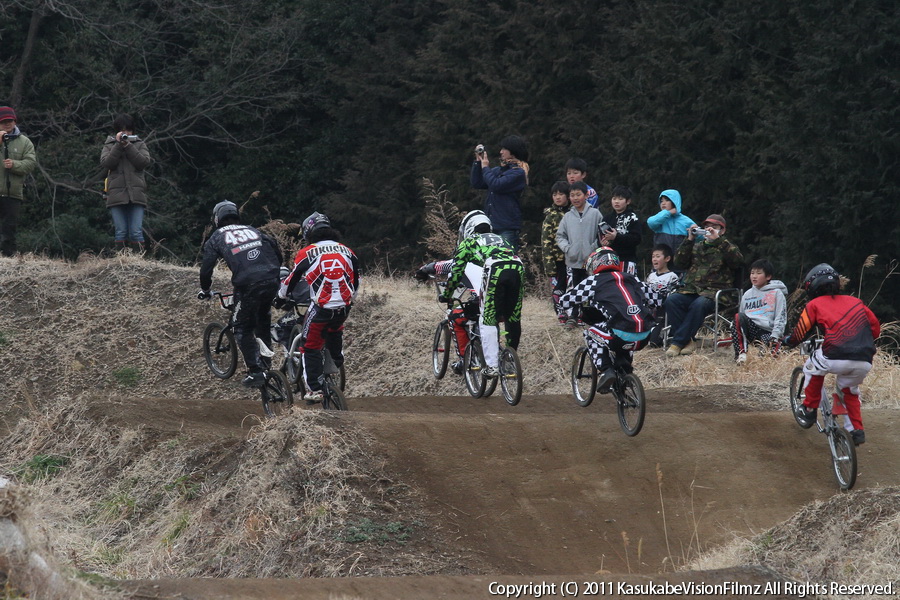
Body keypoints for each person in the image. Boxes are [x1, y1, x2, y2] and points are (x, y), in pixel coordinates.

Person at [783, 264, 880, 446]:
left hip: (834, 355)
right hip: (864, 359)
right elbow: (875, 329)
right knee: (849, 390)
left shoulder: (814, 304)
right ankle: (855, 431)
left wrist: (788, 341)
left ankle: (809, 408)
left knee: (811, 367)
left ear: (811, 287)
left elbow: (800, 332)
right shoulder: (856, 302)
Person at [199, 201, 283, 388]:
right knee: (263, 318)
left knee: (242, 328)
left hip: (248, 284)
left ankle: (255, 372)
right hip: (272, 278)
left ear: (216, 219)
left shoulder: (217, 236)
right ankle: (266, 363)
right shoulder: (253, 230)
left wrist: (205, 289)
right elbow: (274, 247)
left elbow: (206, 270)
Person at [279, 212, 360, 404]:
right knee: (334, 330)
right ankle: (336, 361)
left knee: (309, 345)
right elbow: (356, 279)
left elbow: (292, 280)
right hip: (344, 306)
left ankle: (314, 389)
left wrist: (281, 295)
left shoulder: (306, 253)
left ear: (309, 233)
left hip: (321, 307)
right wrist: (350, 298)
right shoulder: (348, 250)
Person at [441, 210, 524, 378]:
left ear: (468, 228)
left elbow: (456, 272)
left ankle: (492, 366)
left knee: (487, 317)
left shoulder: (469, 242)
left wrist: (447, 294)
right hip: (517, 266)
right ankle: (509, 359)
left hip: (495, 268)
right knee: (513, 316)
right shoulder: (501, 238)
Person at [560, 247, 654, 392]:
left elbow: (565, 301)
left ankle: (606, 371)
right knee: (623, 331)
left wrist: (576, 309)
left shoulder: (593, 281)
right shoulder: (632, 278)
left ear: (594, 264)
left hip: (620, 332)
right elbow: (657, 300)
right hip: (646, 334)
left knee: (591, 333)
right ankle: (625, 371)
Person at [664, 214, 744, 357]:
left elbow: (738, 262)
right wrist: (689, 239)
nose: (710, 229)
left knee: (699, 304)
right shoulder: (697, 246)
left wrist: (719, 241)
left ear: (722, 230)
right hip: (692, 290)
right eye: (707, 226)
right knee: (672, 300)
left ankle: (677, 342)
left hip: (717, 292)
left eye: (715, 227)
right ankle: (688, 341)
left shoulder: (727, 246)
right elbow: (679, 263)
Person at [414, 258, 479, 375]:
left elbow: (437, 266)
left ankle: (464, 359)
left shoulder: (461, 261)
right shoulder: (494, 259)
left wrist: (422, 271)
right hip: (505, 302)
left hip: (482, 303)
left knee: (455, 318)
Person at [100, 114, 152, 252]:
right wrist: (118, 146)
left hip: (136, 193)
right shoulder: (109, 145)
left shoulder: (140, 144)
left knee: (136, 231)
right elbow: (107, 163)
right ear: (117, 131)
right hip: (116, 194)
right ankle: (122, 261)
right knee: (121, 231)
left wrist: (128, 146)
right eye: (123, 130)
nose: (126, 133)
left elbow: (143, 162)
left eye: (128, 130)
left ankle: (139, 261)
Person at [470, 135, 529, 251]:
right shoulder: (499, 170)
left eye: (504, 149)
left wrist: (486, 167)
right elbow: (477, 183)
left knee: (506, 261)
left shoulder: (518, 173)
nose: (500, 152)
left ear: (513, 151)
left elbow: (496, 185)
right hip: (491, 225)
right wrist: (478, 162)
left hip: (506, 226)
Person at [556, 181, 602, 327]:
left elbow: (601, 234)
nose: (575, 198)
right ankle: (573, 316)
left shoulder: (595, 214)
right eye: (572, 195)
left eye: (578, 195)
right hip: (573, 260)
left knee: (591, 288)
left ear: (586, 195)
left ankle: (589, 316)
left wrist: (594, 248)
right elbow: (560, 236)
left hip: (591, 261)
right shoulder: (568, 216)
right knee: (575, 288)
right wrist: (568, 248)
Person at [731, 259, 787, 364]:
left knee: (768, 358)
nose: (754, 276)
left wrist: (775, 336)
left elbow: (781, 317)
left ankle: (771, 348)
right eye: (752, 273)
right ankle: (741, 354)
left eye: (758, 273)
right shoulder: (747, 294)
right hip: (751, 330)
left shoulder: (777, 293)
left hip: (768, 332)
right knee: (738, 317)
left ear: (768, 277)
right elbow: (741, 318)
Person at [0, 106, 37, 257]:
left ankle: (8, 258)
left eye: (10, 121)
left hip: (13, 193)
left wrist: (15, 165)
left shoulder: (25, 142)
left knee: (10, 229)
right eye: (3, 122)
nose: (7, 124)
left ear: (15, 121)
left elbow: (30, 163)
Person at [541, 181, 570, 325]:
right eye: (554, 194)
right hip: (557, 260)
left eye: (561, 194)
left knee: (572, 287)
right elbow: (546, 242)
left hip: (573, 259)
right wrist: (549, 266)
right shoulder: (550, 216)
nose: (557, 197)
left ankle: (574, 314)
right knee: (558, 289)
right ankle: (561, 315)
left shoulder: (574, 213)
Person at [598, 185, 642, 276]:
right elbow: (599, 236)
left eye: (620, 199)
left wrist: (616, 237)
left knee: (628, 286)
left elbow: (636, 238)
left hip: (627, 260)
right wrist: (602, 243)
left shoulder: (632, 217)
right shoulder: (607, 218)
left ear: (628, 201)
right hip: (609, 261)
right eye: (614, 199)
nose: (616, 202)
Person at [643, 243, 680, 346]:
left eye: (658, 256)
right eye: (653, 256)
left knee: (654, 342)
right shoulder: (651, 276)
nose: (654, 259)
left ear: (667, 258)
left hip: (662, 312)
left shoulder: (672, 276)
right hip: (649, 311)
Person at [646, 189, 696, 259]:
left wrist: (694, 231)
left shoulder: (685, 220)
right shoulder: (660, 219)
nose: (663, 203)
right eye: (661, 201)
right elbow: (651, 222)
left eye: (667, 200)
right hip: (662, 262)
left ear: (674, 202)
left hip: (679, 261)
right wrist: (668, 213)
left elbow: (699, 237)